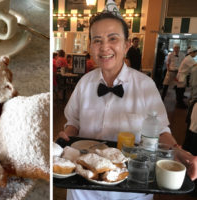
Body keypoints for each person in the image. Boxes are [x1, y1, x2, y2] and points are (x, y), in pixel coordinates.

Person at [57, 7, 197, 200]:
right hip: (83, 188)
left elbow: (161, 130)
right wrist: (67, 136)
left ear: (127, 45)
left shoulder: (145, 85)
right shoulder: (84, 83)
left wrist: (177, 150)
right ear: (91, 46)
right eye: (97, 40)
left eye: (113, 38)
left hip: (131, 189)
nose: (104, 47)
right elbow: (73, 123)